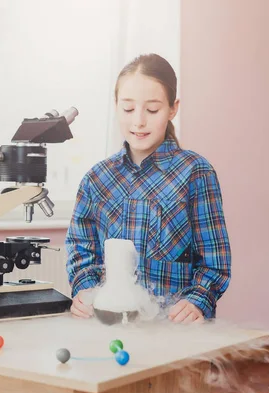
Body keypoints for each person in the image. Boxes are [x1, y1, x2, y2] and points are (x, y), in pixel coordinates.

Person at [65, 53, 231, 324]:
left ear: (172, 108)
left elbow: (214, 260)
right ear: (116, 106)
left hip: (175, 329)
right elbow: (81, 250)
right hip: (110, 326)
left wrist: (198, 299)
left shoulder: (195, 172)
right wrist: (85, 291)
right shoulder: (96, 179)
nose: (138, 121)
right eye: (128, 109)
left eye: (152, 110)